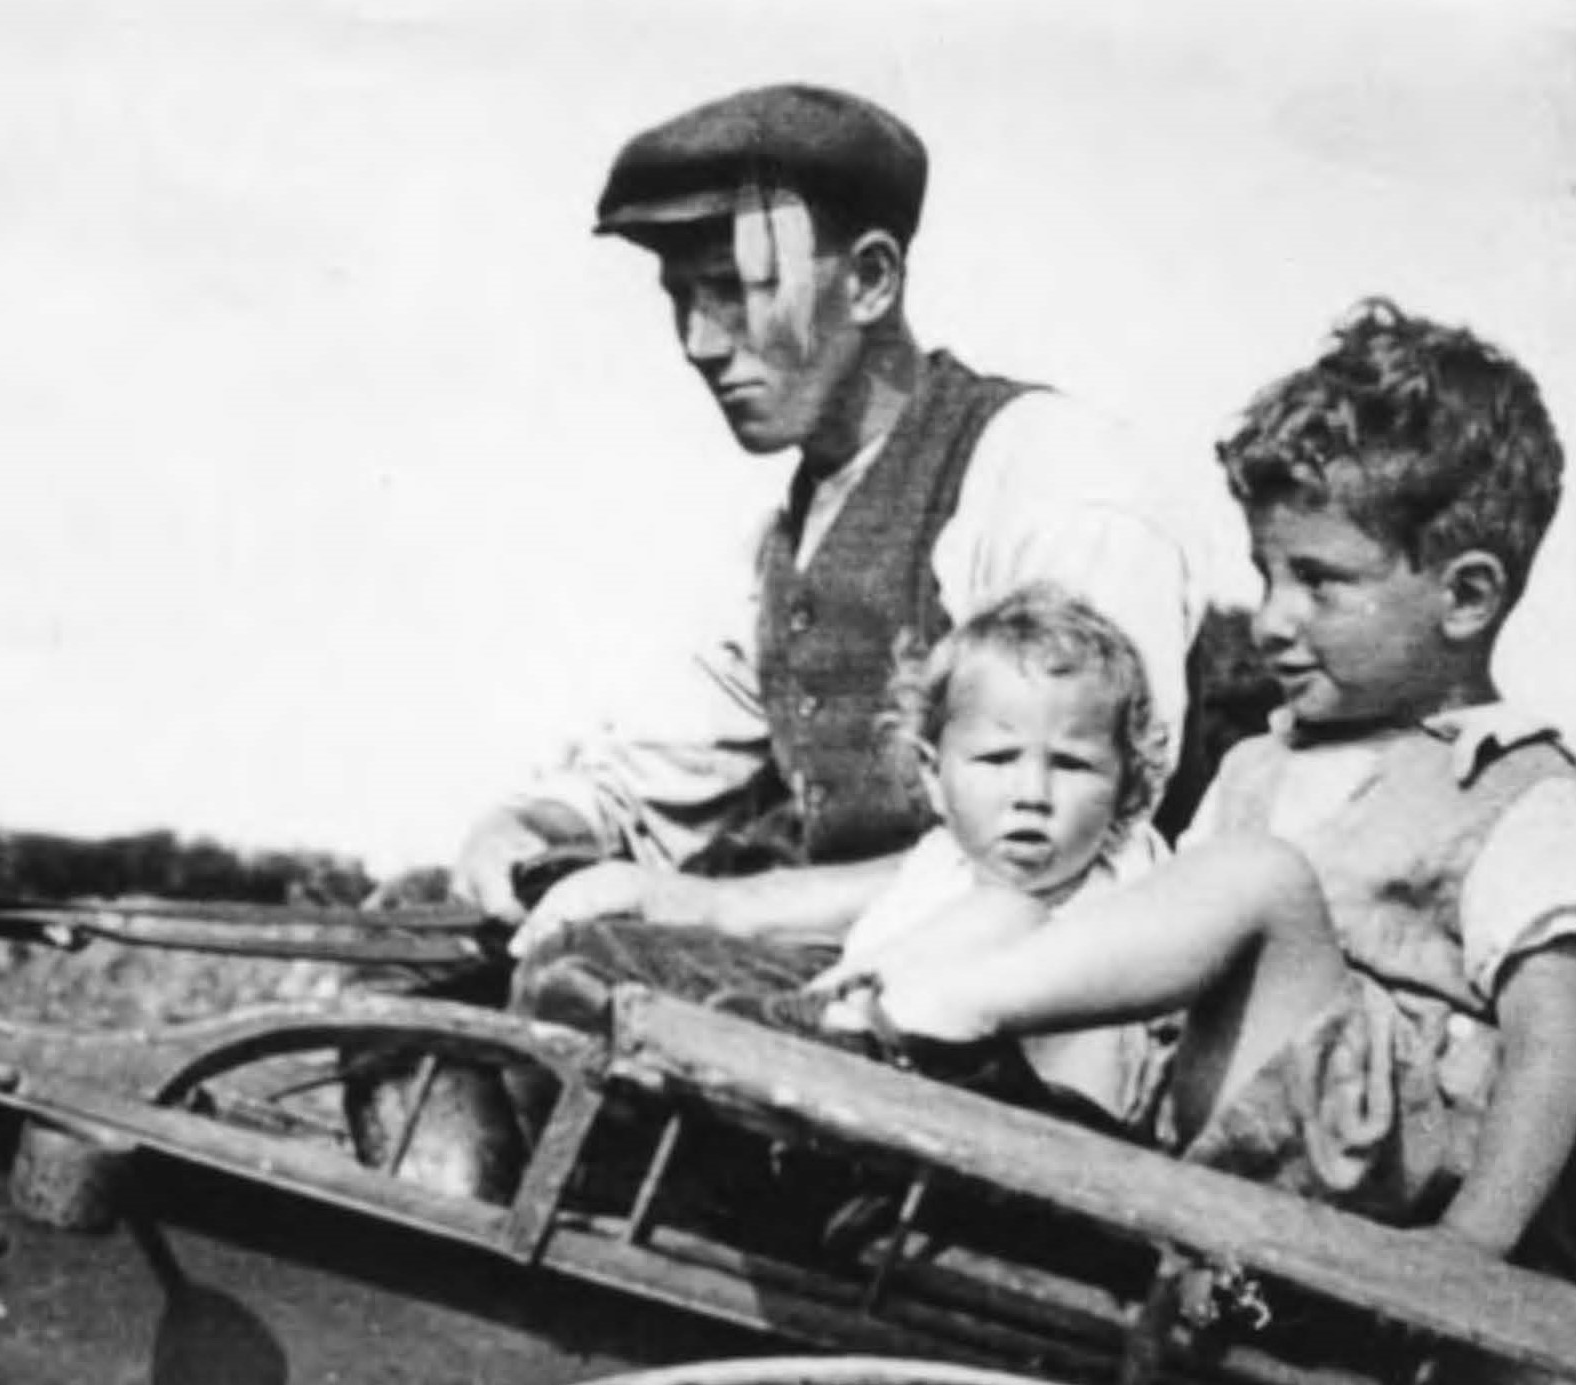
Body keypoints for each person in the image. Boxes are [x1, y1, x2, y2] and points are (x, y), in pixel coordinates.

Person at [822, 300, 1576, 1263]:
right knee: (1029, 900)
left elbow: (1558, 1039)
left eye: (1318, 581)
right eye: (1266, 576)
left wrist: (1471, 1250)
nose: (1270, 620)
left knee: (1256, 881)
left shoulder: (1517, 789)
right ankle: (881, 1032)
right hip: (1212, 1144)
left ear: (1464, 597)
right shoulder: (1259, 763)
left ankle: (956, 1018)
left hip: (1375, 1182)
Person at [451, 81, 1204, 933]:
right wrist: (531, 827)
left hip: (1035, 1019)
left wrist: (716, 908)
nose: (699, 342)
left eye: (736, 290)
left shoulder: (1054, 473)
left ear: (872, 280)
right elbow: (650, 775)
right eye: (680, 299)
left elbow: (1080, 849)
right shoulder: (783, 547)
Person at [515, 583, 1174, 1132]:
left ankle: (804, 1032)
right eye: (997, 760)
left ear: (1126, 791)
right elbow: (760, 910)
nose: (1032, 794)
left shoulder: (1125, 883)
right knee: (605, 956)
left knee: (1006, 914)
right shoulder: (936, 863)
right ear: (933, 777)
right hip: (881, 1123)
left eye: (1073, 765)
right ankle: (782, 1037)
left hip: (1038, 1146)